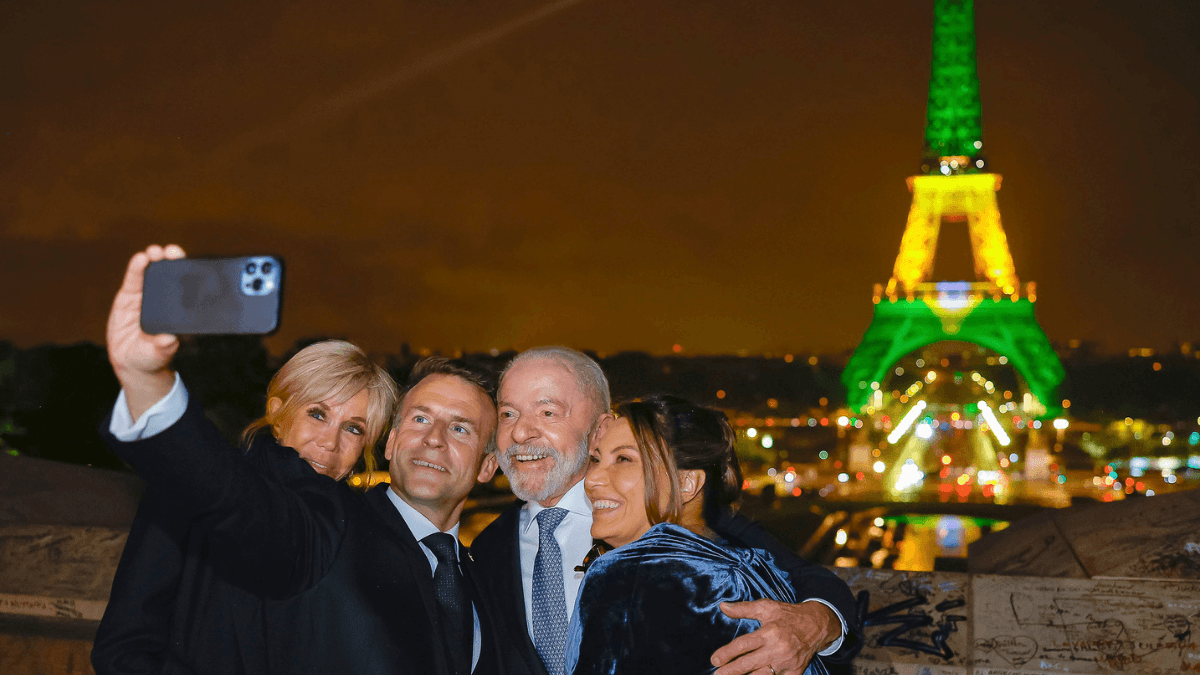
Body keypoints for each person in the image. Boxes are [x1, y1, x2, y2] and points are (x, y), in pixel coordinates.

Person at [99, 244, 506, 675]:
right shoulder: (326, 524)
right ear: (277, 410)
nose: (330, 441)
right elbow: (229, 496)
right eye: (317, 413)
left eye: (353, 429)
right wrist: (148, 381)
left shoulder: (484, 576)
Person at [470, 347, 860, 675]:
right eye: (508, 414)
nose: (521, 432)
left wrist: (813, 624)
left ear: (601, 425)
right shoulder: (487, 548)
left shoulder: (678, 519)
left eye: (547, 412)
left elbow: (807, 580)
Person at [567, 395, 825, 675]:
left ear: (687, 483)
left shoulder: (625, 573)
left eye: (623, 459)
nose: (591, 479)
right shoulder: (757, 567)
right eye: (595, 459)